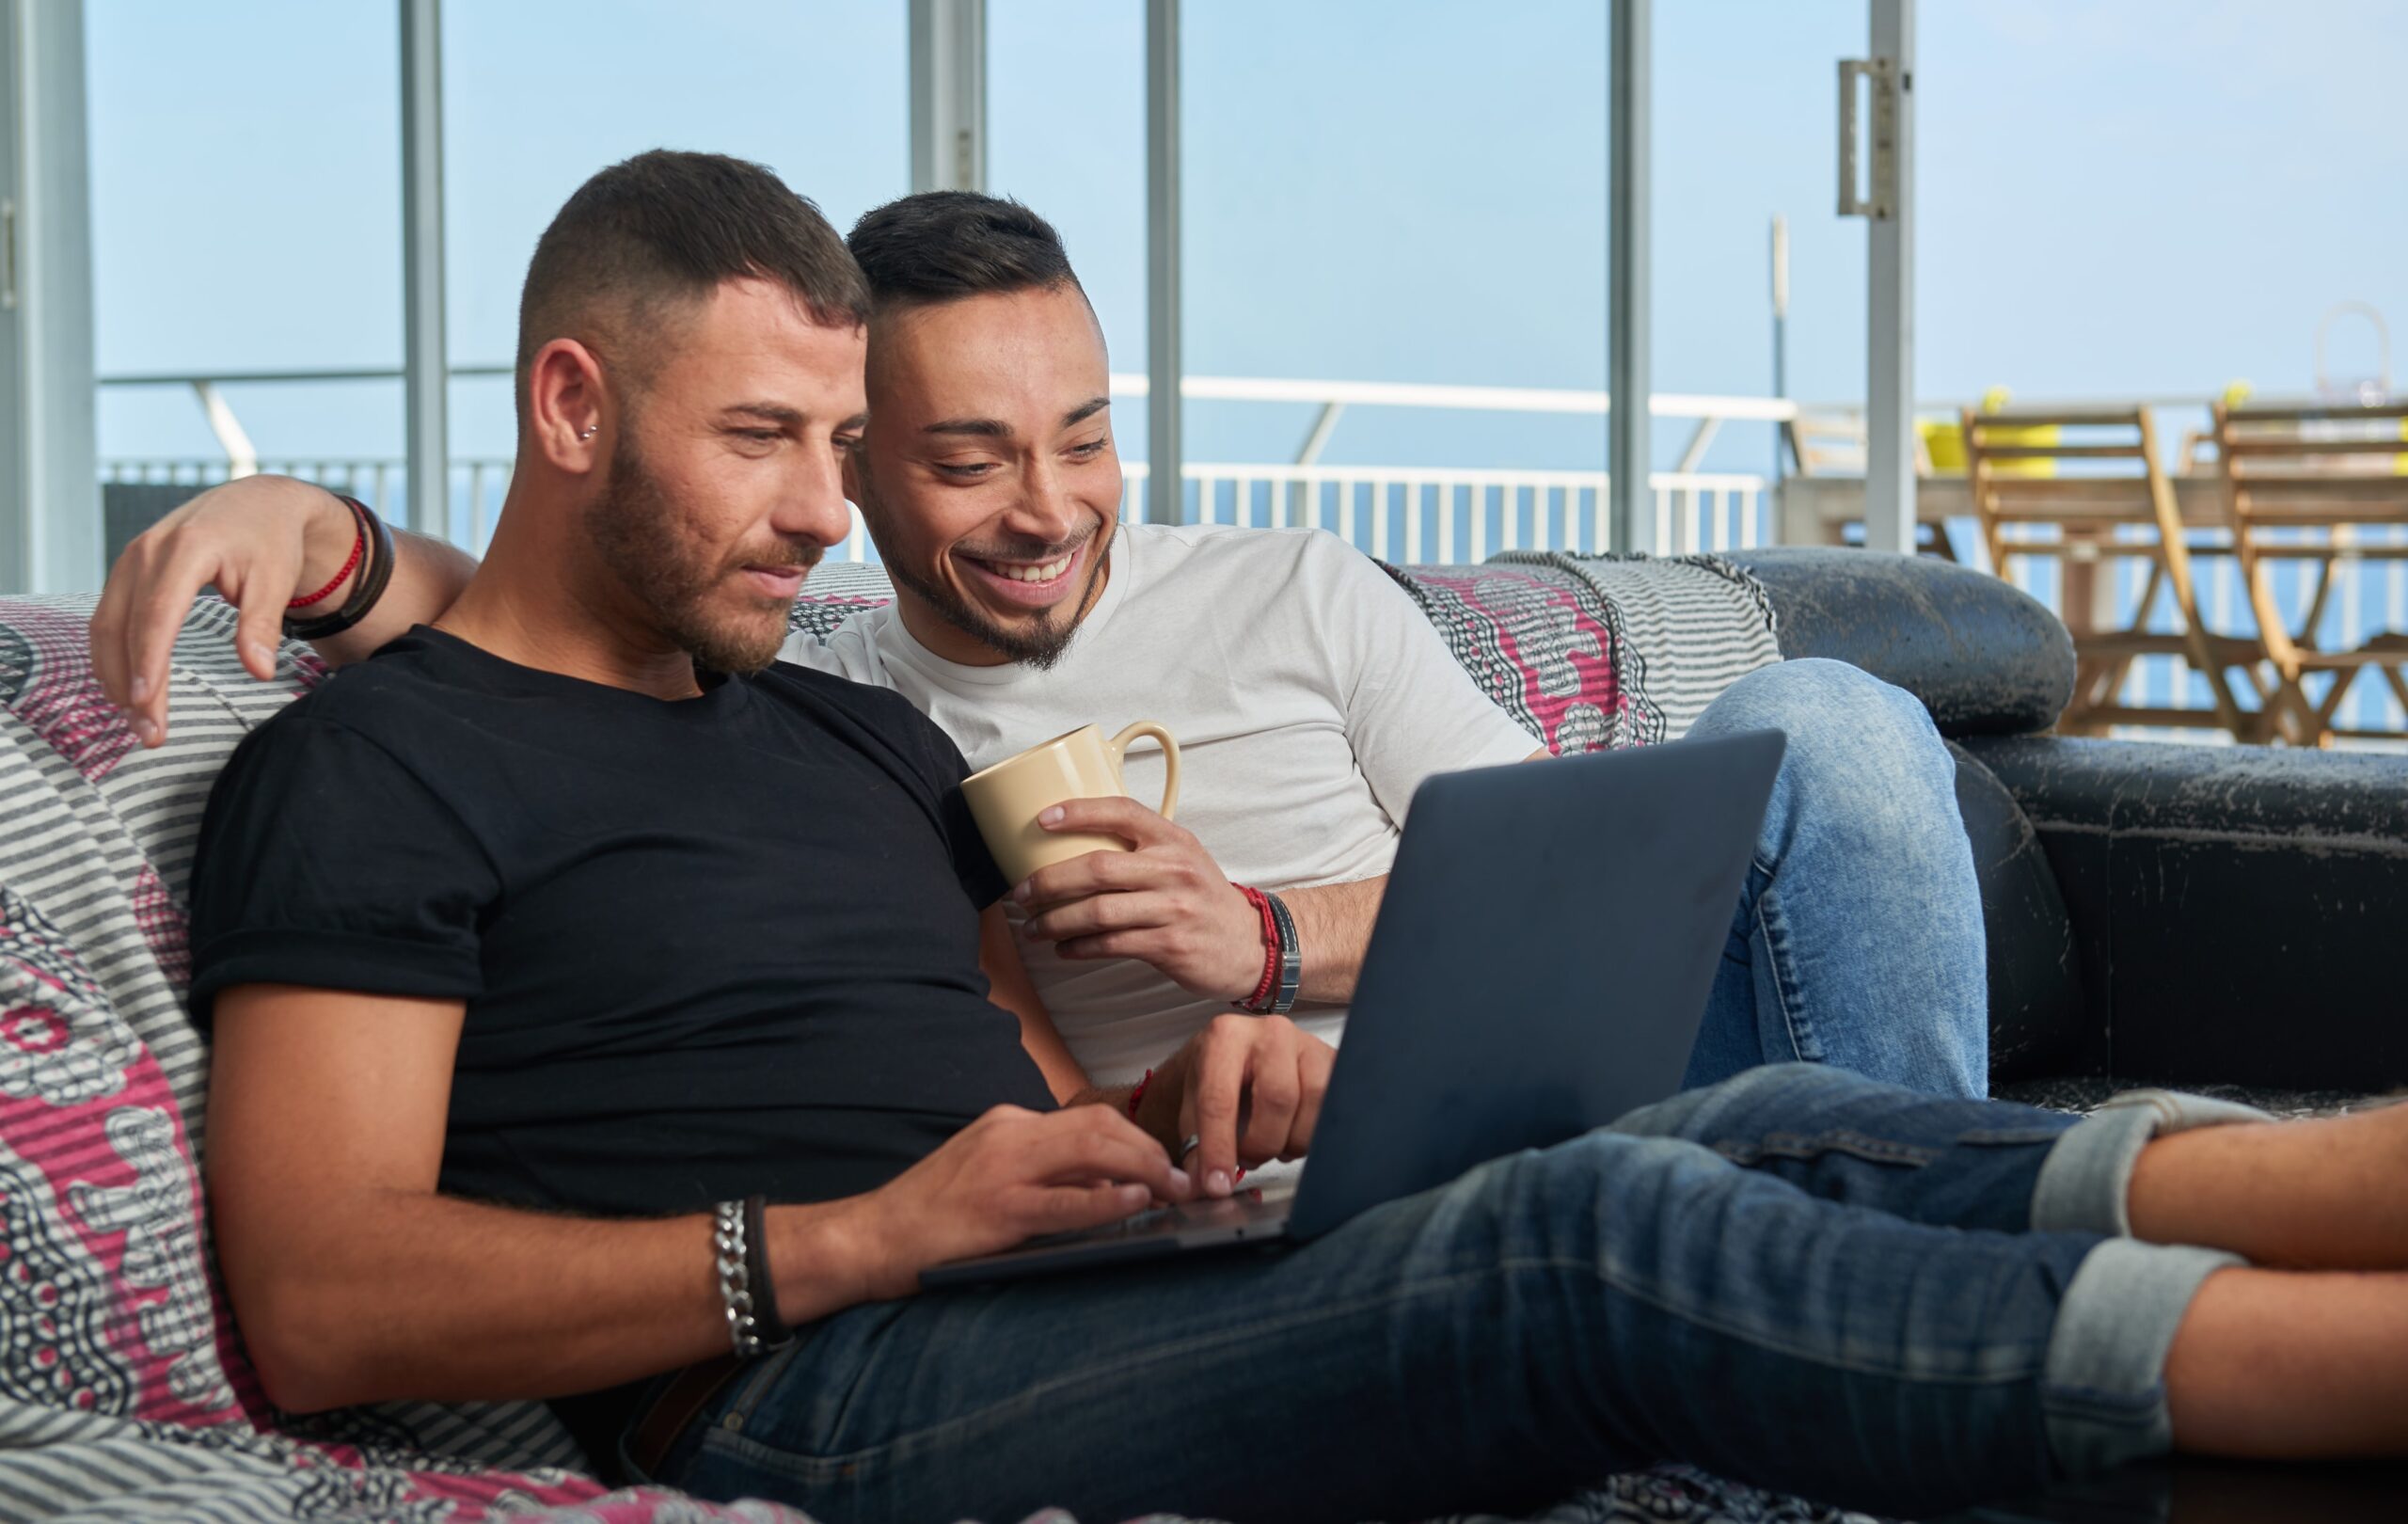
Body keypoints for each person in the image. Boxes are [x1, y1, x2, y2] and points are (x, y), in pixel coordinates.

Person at [167, 151, 2408, 1524]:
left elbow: (1015, 1092)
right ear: (570, 407)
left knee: (1758, 1119)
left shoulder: (834, 737)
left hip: (1046, 1285)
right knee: (1590, 1235)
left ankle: (2334, 1182)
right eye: (765, 439)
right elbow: (324, 1292)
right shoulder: (377, 774)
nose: (818, 509)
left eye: (836, 447)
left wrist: (1169, 1115)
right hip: (804, 1396)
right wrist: (846, 1239)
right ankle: (2331, 1383)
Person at [94, 196, 1988, 1143]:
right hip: (1270, 1164)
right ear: (847, 462)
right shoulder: (843, 706)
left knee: (1822, 713)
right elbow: (570, 607)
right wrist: (326, 540)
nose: (1047, 507)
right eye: (965, 459)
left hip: (1556, 1068)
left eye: (1079, 434)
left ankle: (1921, 1183)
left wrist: (1256, 938)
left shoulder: (1301, 585)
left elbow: (1568, 881)